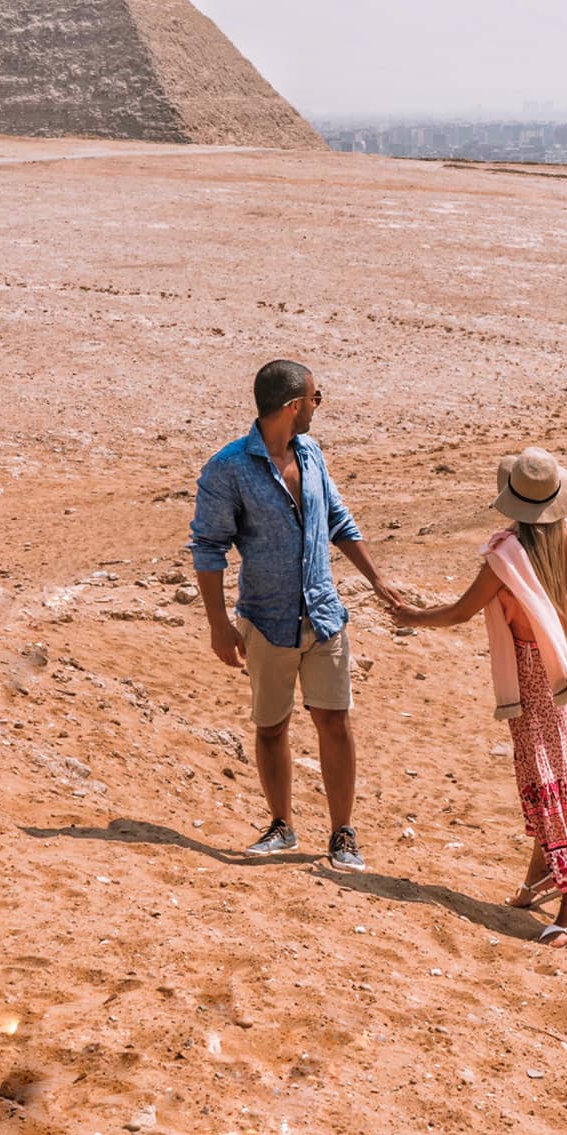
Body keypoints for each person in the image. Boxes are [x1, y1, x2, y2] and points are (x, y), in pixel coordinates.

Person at [389, 448, 567, 946]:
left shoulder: (504, 557)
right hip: (561, 673)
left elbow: (462, 612)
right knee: (551, 770)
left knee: (551, 779)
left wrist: (414, 617)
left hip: (530, 675)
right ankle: (541, 876)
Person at [190, 359, 400, 870]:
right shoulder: (228, 469)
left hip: (324, 615)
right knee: (271, 727)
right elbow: (208, 548)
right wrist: (219, 625)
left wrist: (377, 579)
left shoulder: (312, 453)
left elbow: (337, 519)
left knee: (335, 722)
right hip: (266, 620)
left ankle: (342, 833)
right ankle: (281, 825)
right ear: (292, 406)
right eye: (314, 398)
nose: (317, 405)